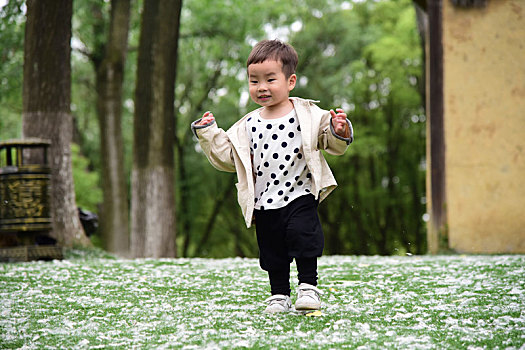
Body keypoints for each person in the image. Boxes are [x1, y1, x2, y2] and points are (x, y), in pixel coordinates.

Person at [191, 39, 353, 313]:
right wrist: (208, 133)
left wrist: (340, 128)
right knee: (272, 251)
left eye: (270, 79)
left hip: (301, 192)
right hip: (264, 201)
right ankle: (279, 294)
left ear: (290, 81)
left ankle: (308, 288)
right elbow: (229, 158)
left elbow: (332, 143)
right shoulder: (247, 125)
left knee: (304, 236)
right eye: (254, 81)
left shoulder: (310, 115)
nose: (261, 87)